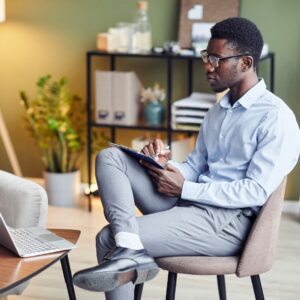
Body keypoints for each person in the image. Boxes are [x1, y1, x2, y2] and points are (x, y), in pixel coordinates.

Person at [73, 17, 300, 299]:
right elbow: (196, 166)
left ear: (245, 63)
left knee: (109, 238)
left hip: (228, 223)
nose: (208, 65)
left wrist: (186, 188)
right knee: (111, 157)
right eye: (207, 56)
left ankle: (127, 248)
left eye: (217, 58)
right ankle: (130, 248)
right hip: (191, 203)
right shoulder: (217, 112)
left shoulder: (276, 118)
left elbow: (255, 191)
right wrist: (165, 165)